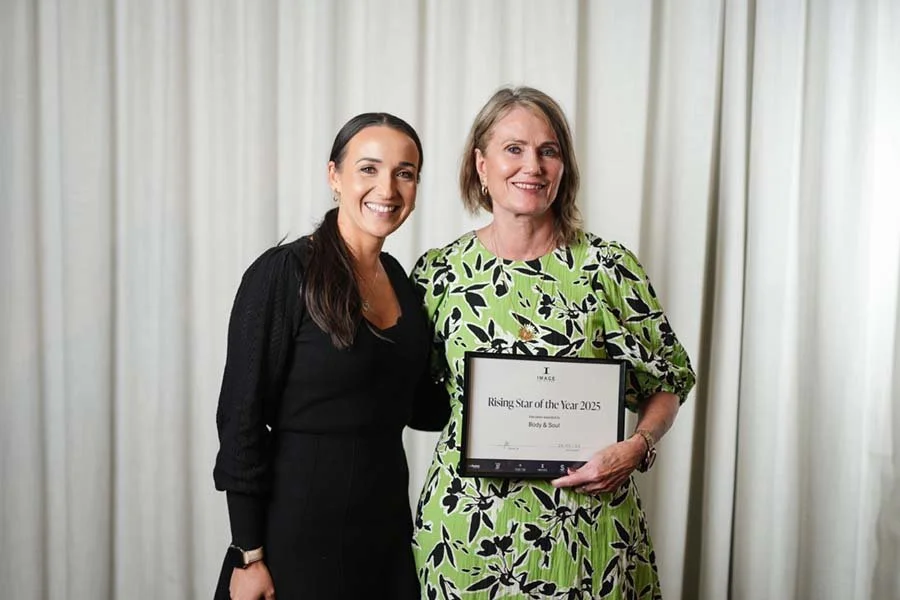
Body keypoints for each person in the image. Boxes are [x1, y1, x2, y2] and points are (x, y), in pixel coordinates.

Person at [410, 86, 696, 598]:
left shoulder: (608, 268)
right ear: (481, 164)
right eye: (514, 149)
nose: (533, 166)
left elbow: (669, 381)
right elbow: (408, 393)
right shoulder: (439, 274)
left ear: (564, 167)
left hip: (587, 540)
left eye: (549, 150)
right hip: (468, 540)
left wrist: (638, 447)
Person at [212, 112, 449, 600]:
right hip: (297, 531)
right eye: (368, 168)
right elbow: (241, 417)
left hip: (384, 525)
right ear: (334, 176)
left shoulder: (403, 282)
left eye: (404, 173)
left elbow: (425, 408)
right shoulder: (283, 274)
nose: (387, 187)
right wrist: (248, 553)